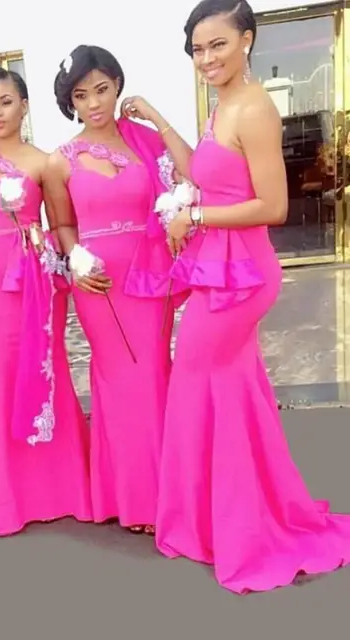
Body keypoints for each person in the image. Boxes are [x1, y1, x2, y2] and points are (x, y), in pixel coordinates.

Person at [122, 0, 350, 593]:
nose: (206, 58)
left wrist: (195, 217)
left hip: (243, 276)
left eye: (217, 44)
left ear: (247, 40)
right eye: (198, 49)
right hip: (223, 272)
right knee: (228, 391)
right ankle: (227, 519)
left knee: (203, 385)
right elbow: (201, 173)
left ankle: (238, 529)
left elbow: (273, 206)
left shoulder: (254, 108)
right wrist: (158, 119)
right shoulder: (224, 103)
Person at [43, 46, 185, 535]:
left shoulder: (144, 142)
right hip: (98, 284)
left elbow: (192, 173)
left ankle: (169, 490)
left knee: (154, 375)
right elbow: (61, 223)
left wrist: (156, 116)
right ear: (70, 103)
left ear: (118, 86)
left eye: (102, 90)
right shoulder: (59, 162)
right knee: (121, 381)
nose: (94, 103)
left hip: (150, 277)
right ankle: (136, 498)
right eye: (81, 96)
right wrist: (75, 258)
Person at [0, 67, 92, 537]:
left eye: (6, 102)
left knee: (45, 371)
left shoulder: (44, 163)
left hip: (36, 285)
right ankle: (11, 498)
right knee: (0, 381)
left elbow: (62, 224)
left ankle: (64, 489)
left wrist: (53, 252)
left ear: (24, 105)